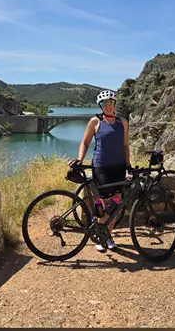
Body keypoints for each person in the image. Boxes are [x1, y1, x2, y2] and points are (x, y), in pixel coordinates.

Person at [68, 90, 132, 253]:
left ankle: (107, 236)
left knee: (116, 203)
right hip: (101, 166)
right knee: (105, 203)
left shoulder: (122, 122)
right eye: (105, 104)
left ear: (115, 104)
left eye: (111, 103)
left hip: (119, 167)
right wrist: (80, 159)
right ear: (101, 106)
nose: (108, 106)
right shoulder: (95, 121)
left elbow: (125, 146)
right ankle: (99, 234)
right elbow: (85, 142)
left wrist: (128, 165)